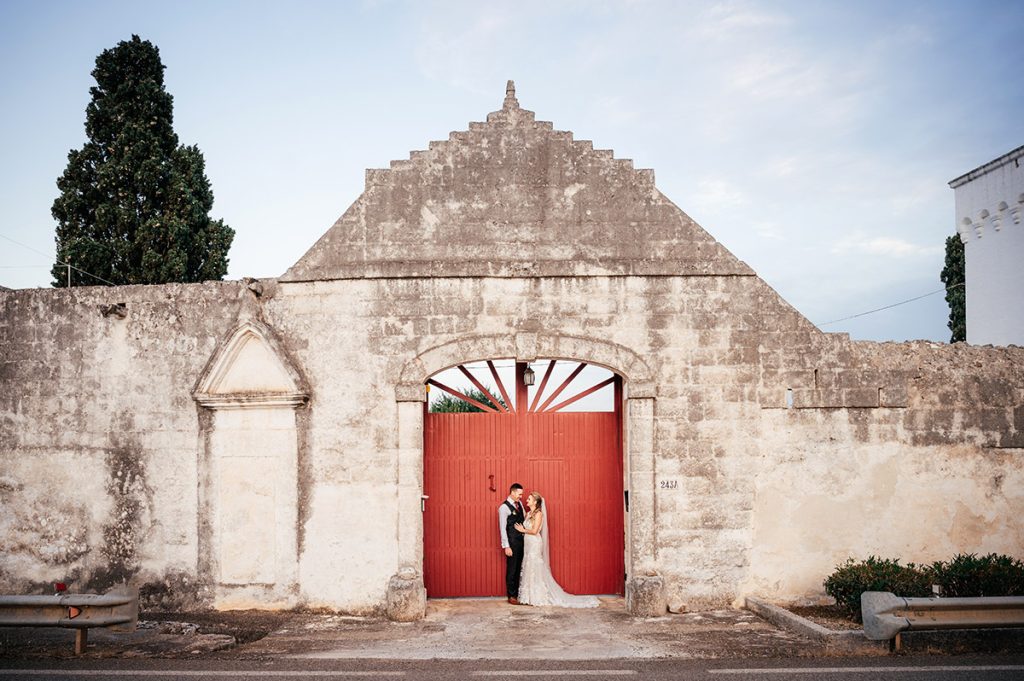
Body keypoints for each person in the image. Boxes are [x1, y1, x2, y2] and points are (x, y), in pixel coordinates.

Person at [514, 491, 599, 608]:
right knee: (528, 566)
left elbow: (534, 531)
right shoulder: (528, 514)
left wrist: (522, 530)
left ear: (535, 501)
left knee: (535, 567)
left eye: (529, 499)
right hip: (528, 544)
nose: (527, 500)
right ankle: (528, 596)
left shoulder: (539, 514)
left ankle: (537, 596)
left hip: (534, 543)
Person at [498, 483, 525, 604]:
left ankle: (518, 594)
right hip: (512, 543)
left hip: (522, 542)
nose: (521, 496)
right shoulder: (503, 508)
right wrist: (506, 546)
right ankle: (511, 596)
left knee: (519, 568)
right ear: (513, 493)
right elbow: (502, 528)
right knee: (512, 569)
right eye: (519, 494)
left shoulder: (519, 504)